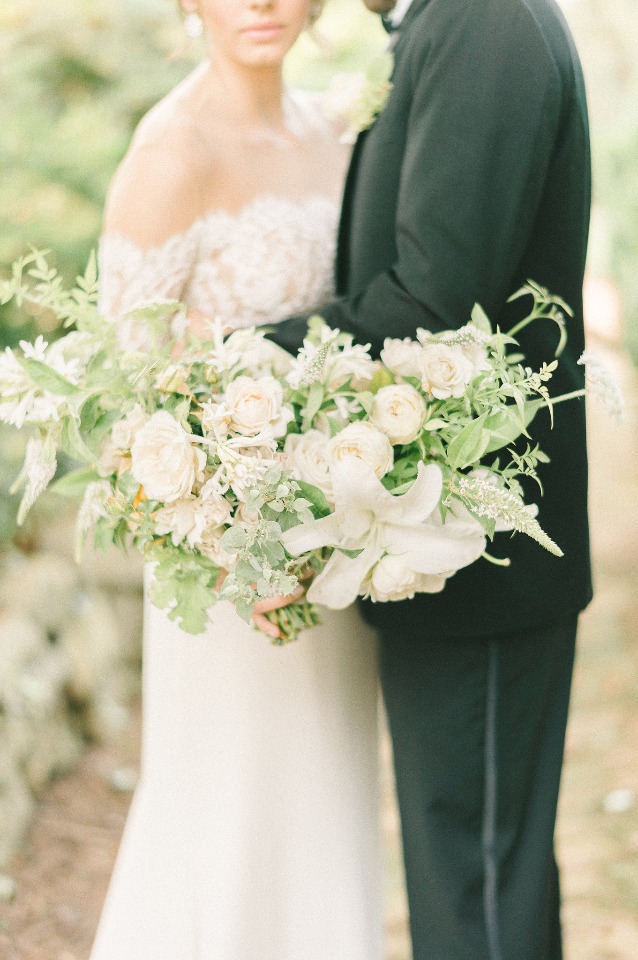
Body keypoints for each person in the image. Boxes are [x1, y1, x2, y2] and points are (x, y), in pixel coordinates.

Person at [269, 0, 593, 957]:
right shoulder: (439, 24)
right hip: (440, 541)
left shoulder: (483, 22)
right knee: (480, 869)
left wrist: (234, 360)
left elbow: (430, 301)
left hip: (479, 550)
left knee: (476, 880)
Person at [90, 3, 383, 959]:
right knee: (230, 813)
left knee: (326, 804)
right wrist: (232, 548)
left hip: (336, 552)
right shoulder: (172, 150)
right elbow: (121, 401)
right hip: (228, 574)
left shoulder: (343, 130)